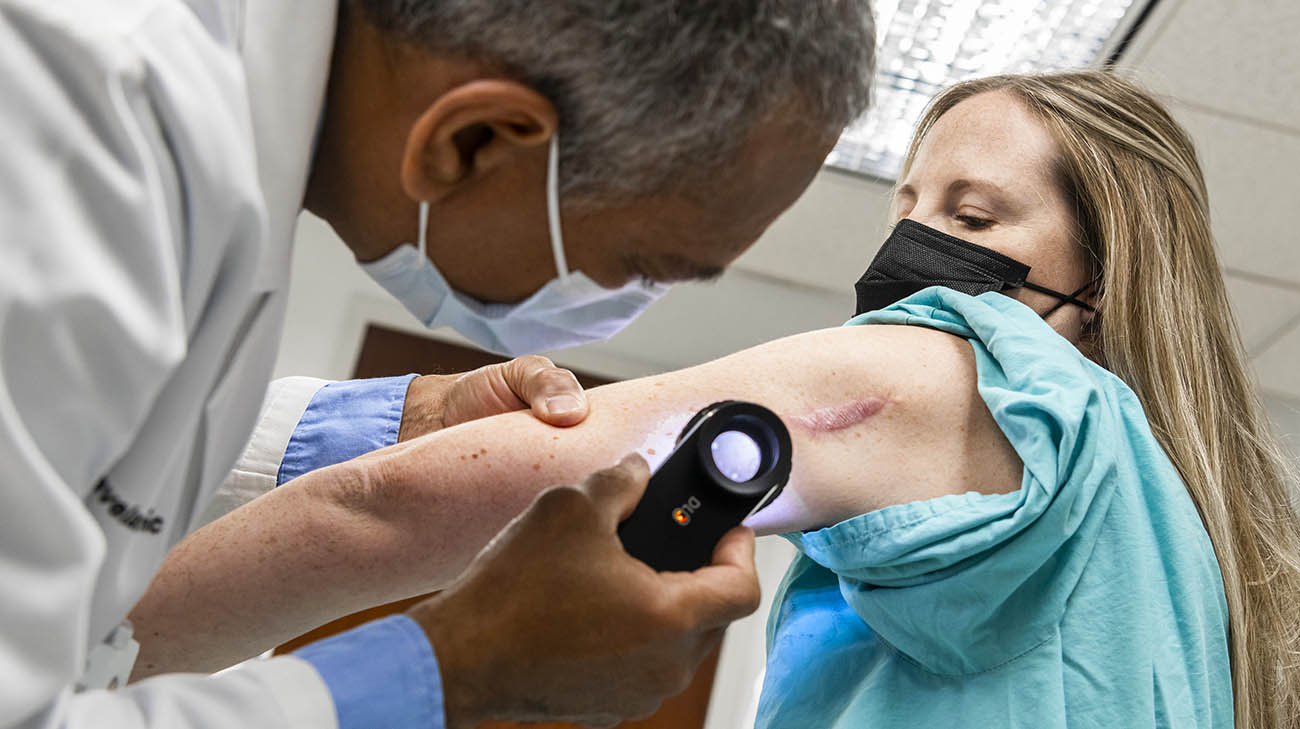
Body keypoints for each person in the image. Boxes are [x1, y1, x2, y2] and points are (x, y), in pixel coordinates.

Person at [135, 70, 1300, 729]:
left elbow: (397, 507)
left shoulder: (951, 359)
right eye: (905, 200)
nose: (913, 245)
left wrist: (80, 663)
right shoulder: (1193, 546)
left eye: (971, 217)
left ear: (1099, 282)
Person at [0, 1, 877, 728]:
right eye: (645, 262)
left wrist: (389, 429)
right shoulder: (72, 133)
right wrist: (462, 667)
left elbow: (79, 415)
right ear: (473, 140)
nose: (633, 302)